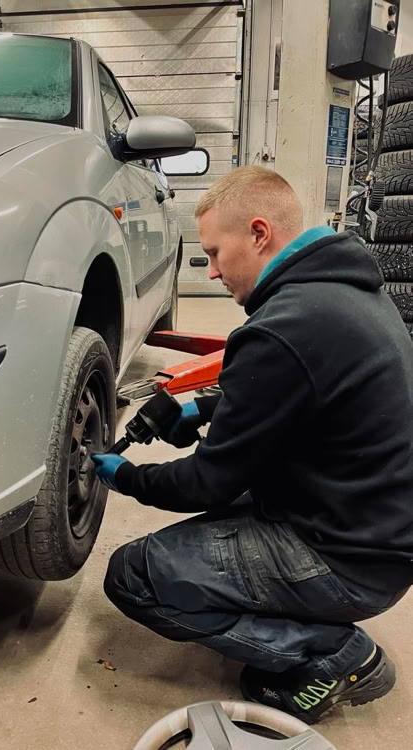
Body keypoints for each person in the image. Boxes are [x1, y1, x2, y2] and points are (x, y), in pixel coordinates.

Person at [92, 166, 413, 724]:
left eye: (216, 253)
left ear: (259, 233)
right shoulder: (342, 293)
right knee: (212, 527)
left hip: (347, 558)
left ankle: (333, 656)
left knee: (135, 575)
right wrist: (202, 408)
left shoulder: (280, 328)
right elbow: (300, 402)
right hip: (374, 532)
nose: (211, 271)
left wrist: (125, 477)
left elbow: (205, 482)